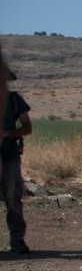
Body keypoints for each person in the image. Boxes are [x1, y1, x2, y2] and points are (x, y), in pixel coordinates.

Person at [1, 61, 32, 253]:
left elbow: (27, 128)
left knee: (13, 199)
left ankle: (17, 240)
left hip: (9, 156)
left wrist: (6, 134)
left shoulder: (14, 100)